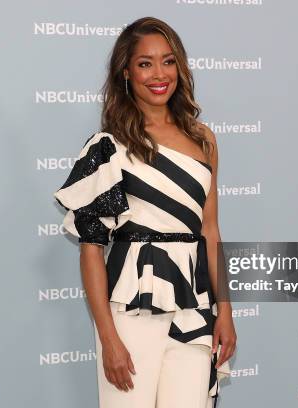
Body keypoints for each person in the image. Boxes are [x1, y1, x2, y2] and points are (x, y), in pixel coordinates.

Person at [54, 16, 236, 408]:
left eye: (168, 61)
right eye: (145, 63)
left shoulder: (203, 139)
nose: (159, 74)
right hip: (132, 307)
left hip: (195, 306)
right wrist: (108, 339)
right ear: (126, 71)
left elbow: (210, 230)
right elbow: (91, 250)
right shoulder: (108, 146)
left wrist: (225, 310)